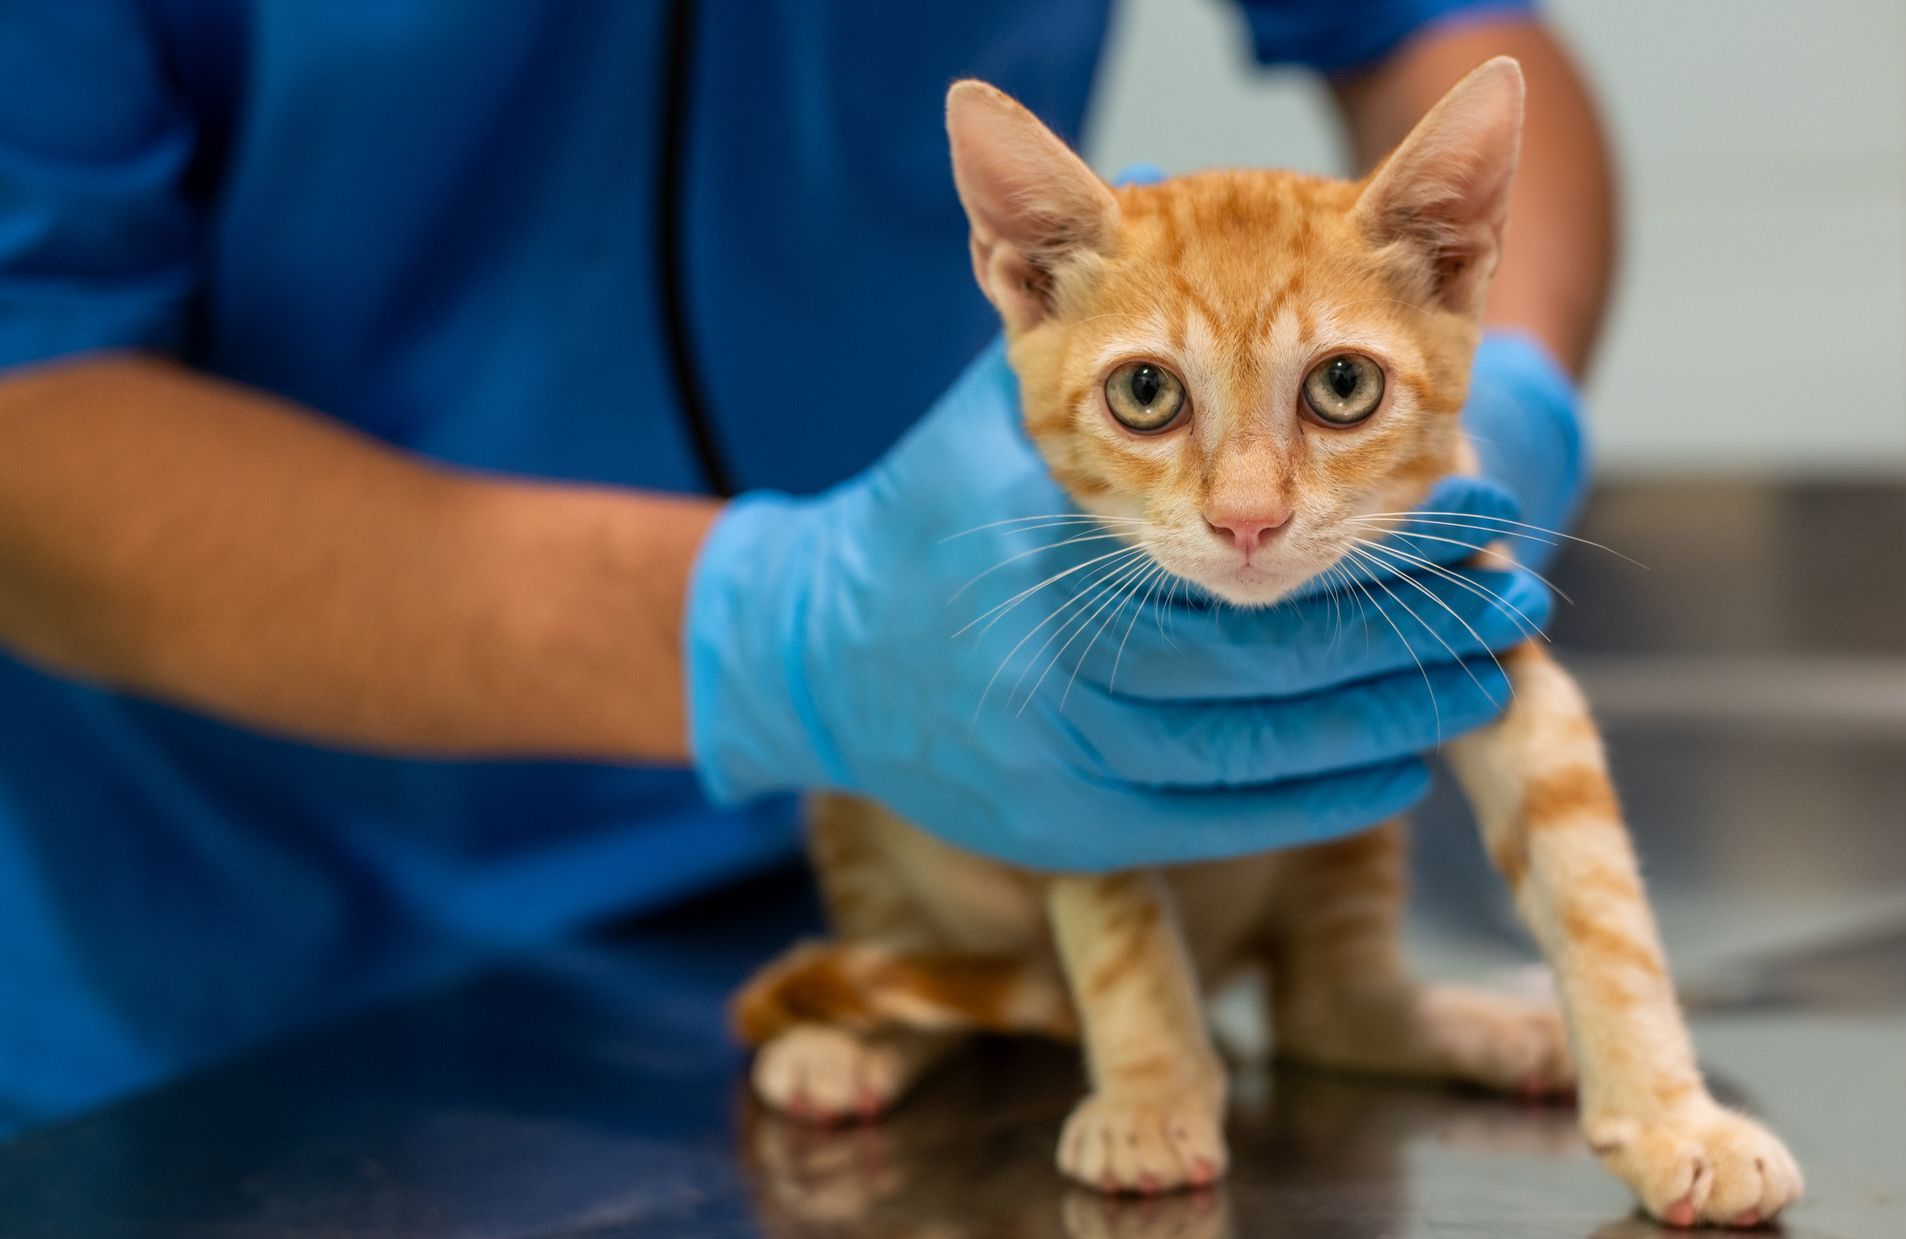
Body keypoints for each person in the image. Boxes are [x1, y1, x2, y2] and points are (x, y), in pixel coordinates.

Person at [0, 0, 1611, 1137]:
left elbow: (1449, 41)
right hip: (262, 991)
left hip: (931, 903)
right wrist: (780, 635)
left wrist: (1498, 391)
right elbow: (30, 405)